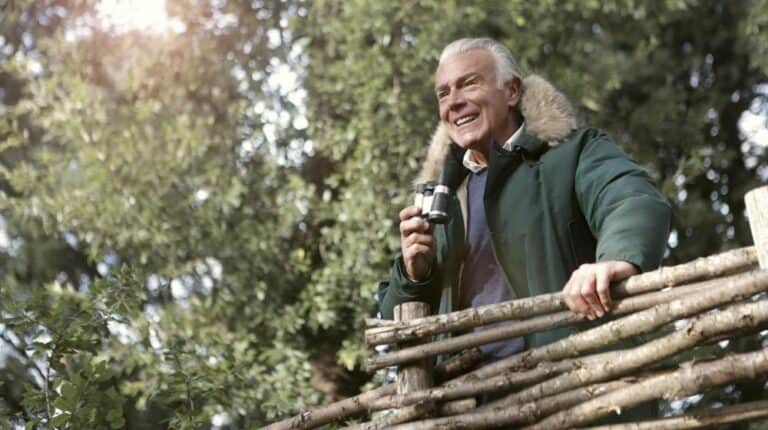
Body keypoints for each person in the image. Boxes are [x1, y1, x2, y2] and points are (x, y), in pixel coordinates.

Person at [377, 37, 672, 358]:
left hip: (567, 385)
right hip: (468, 401)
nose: (454, 102)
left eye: (469, 84)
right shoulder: (441, 198)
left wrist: (617, 258)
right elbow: (396, 335)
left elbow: (630, 198)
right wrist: (414, 275)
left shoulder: (574, 154)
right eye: (443, 93)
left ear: (512, 91)